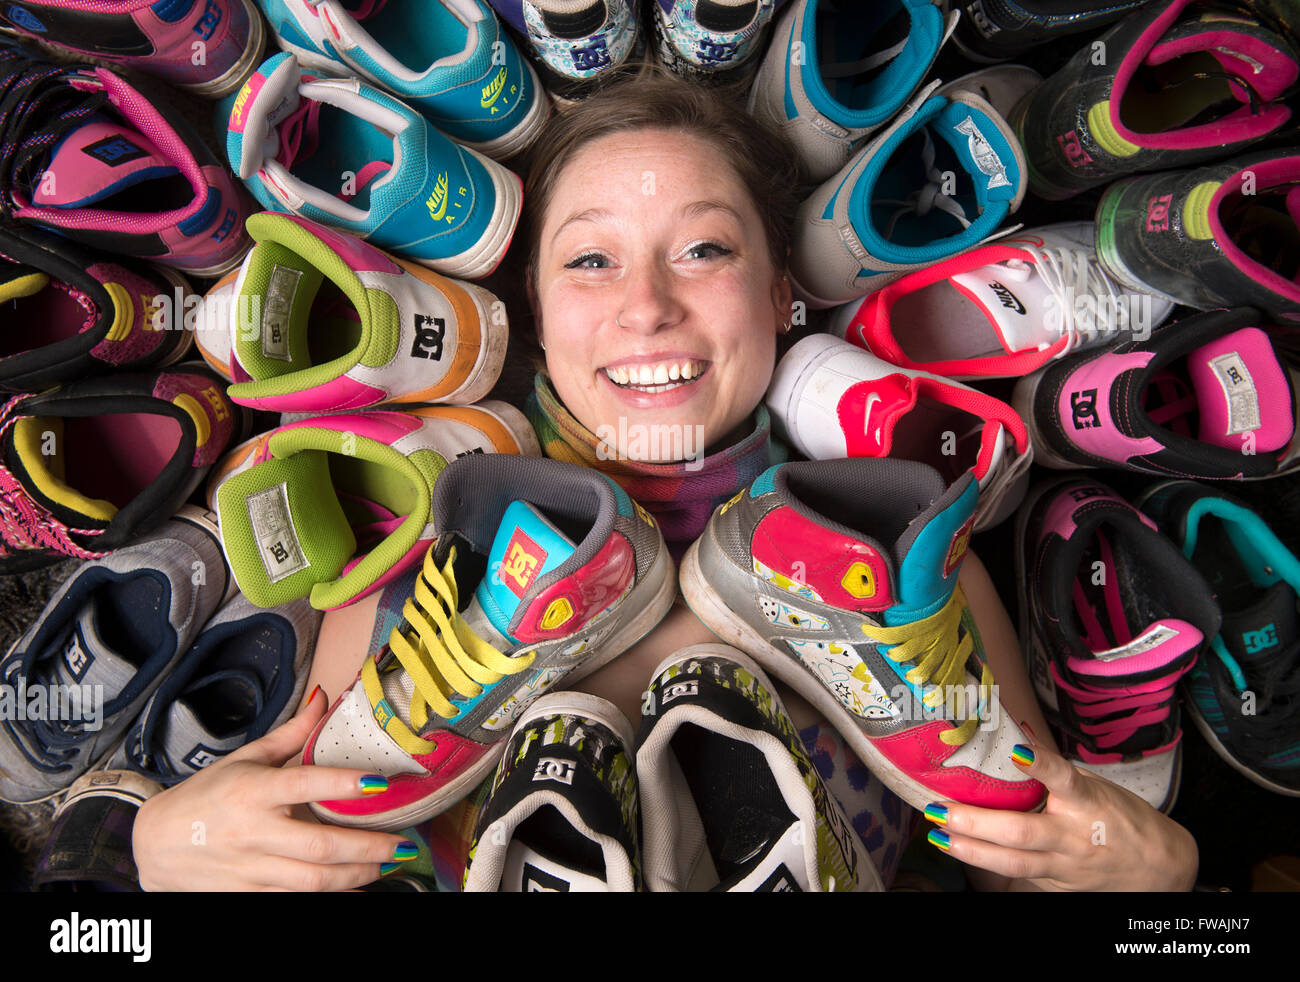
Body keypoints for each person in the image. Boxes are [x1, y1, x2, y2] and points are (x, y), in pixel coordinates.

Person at [132, 68, 1198, 893]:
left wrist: (1158, 878)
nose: (645, 306)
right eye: (590, 261)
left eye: (702, 250)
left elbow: (1026, 843)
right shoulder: (412, 558)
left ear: (784, 295)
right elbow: (300, 837)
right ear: (536, 319)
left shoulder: (909, 569)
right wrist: (160, 847)